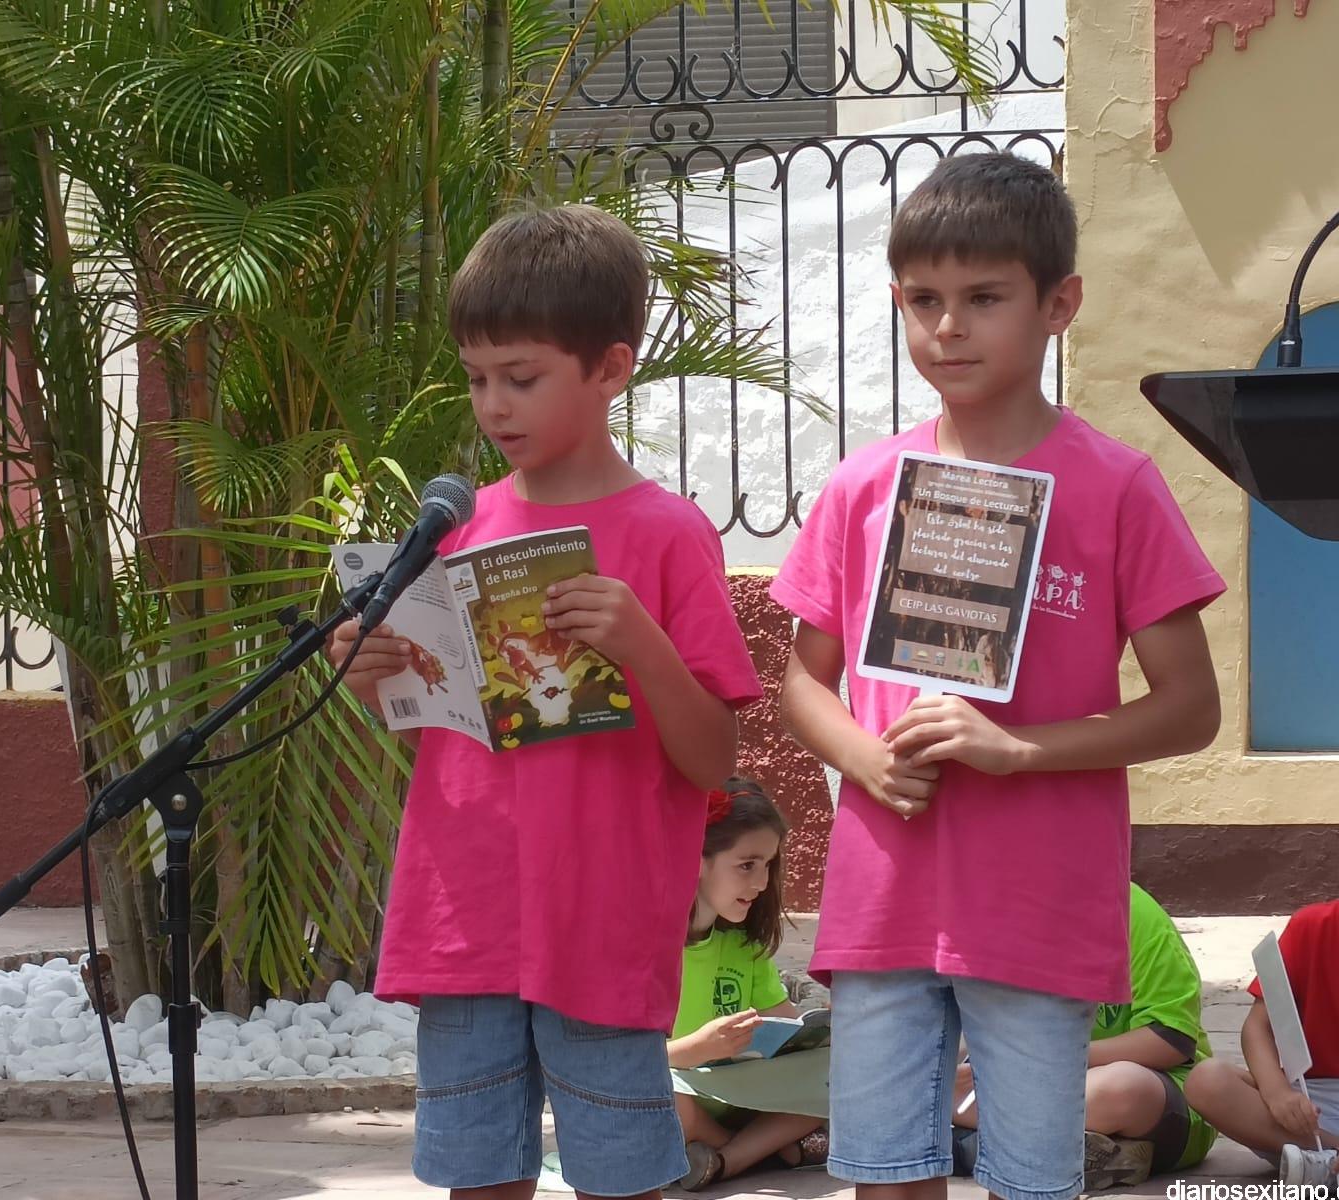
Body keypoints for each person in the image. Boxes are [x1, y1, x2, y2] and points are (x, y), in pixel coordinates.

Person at [772, 151, 1226, 1200]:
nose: (949, 327)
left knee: (1031, 1181)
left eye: (984, 298)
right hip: (884, 901)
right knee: (885, 1176)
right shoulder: (864, 485)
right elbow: (800, 681)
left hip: (1036, 906)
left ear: (1058, 304)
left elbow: (1190, 708)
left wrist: (1016, 749)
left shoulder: (1116, 487)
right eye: (923, 300)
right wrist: (864, 759)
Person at [328, 204, 763, 1200]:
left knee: (621, 1175)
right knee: (477, 1175)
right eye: (477, 378)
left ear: (610, 368)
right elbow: (443, 736)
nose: (495, 405)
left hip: (600, 919)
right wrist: (376, 674)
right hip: (466, 914)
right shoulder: (454, 528)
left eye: (521, 378)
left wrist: (641, 644)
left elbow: (713, 758)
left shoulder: (667, 534)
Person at [953, 883, 1219, 1188]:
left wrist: (1058, 1058)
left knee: (1121, 1086)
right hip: (1041, 1086)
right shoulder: (1007, 917)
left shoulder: (1132, 911)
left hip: (1159, 1098)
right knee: (934, 1081)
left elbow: (1170, 1041)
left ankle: (974, 1147)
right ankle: (1080, 1150)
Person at [1185, 828, 1339, 1188]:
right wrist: (1277, 1092)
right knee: (1207, 1080)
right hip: (1310, 1113)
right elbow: (1257, 1028)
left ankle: (1336, 1170)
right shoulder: (1313, 927)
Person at [667, 777, 828, 1189]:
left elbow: (788, 1027)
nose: (761, 882)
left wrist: (822, 1035)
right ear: (696, 857)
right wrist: (696, 1049)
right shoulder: (650, 946)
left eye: (768, 865)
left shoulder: (744, 946)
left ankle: (724, 1161)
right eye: (747, 865)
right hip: (680, 1098)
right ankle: (753, 1153)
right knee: (658, 1097)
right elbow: (617, 1060)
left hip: (744, 1099)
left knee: (840, 1072)